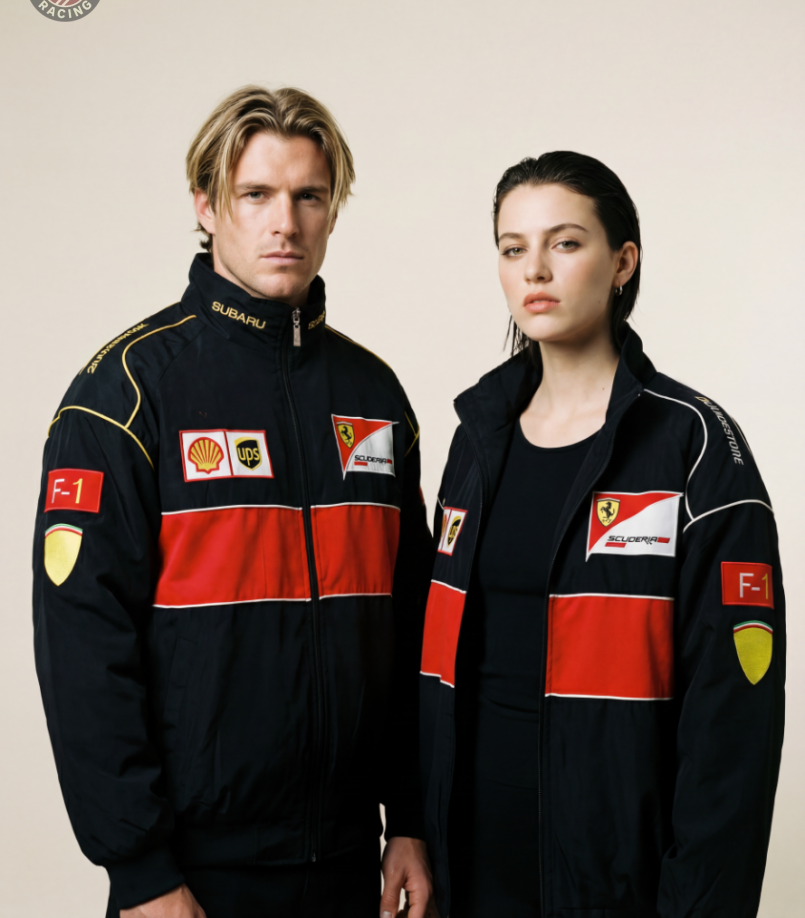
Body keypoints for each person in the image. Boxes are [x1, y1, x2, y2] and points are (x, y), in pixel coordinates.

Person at [33, 85, 435, 918]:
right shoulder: (125, 395)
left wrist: (410, 819)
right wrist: (141, 871)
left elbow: (409, 628)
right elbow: (83, 651)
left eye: (308, 196)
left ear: (332, 210)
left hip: (350, 865)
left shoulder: (374, 396)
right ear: (206, 206)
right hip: (191, 877)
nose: (284, 223)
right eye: (255, 195)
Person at [418, 152, 785, 917]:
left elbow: (732, 730)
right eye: (512, 248)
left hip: (613, 886)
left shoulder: (694, 446)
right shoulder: (476, 440)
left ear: (622, 262)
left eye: (564, 242)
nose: (534, 270)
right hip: (466, 870)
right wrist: (414, 830)